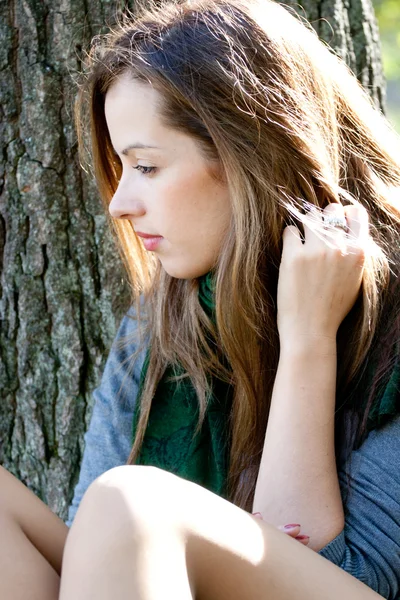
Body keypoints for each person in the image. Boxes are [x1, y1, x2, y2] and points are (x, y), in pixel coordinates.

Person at [1, 0, 399, 597]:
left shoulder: (391, 318)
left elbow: (354, 576)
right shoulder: (160, 324)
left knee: (131, 507)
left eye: (147, 167)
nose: (120, 203)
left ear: (250, 157)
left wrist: (308, 341)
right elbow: (99, 555)